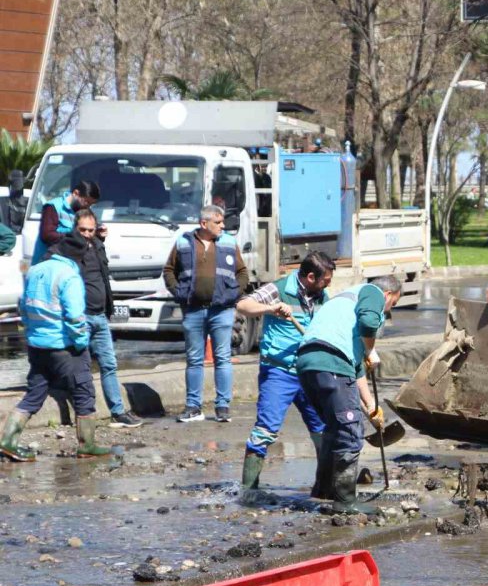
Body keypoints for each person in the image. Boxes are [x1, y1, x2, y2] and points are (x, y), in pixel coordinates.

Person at [0, 232, 111, 461]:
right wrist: (81, 343)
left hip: (37, 346)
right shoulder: (69, 275)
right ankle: (87, 445)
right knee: (83, 391)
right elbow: (74, 317)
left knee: (35, 392)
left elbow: (24, 308)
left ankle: (8, 441)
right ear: (78, 257)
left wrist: (32, 335)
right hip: (64, 347)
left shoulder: (35, 270)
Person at [296, 276, 402, 512]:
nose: (388, 310)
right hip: (331, 361)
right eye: (392, 304)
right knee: (350, 431)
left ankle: (323, 491)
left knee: (334, 428)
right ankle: (345, 501)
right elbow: (368, 322)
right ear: (388, 295)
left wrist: (371, 406)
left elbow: (354, 371)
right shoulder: (373, 292)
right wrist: (372, 350)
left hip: (308, 363)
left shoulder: (342, 308)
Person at [236, 251, 335, 493]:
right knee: (265, 430)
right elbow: (243, 305)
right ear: (311, 277)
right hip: (279, 372)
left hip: (310, 371)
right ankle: (249, 492)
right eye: (325, 280)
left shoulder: (323, 297)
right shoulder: (278, 289)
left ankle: (324, 487)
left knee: (322, 428)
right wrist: (271, 309)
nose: (328, 285)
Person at [162, 204, 249, 423]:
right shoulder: (183, 242)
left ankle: (223, 406)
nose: (222, 226)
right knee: (194, 359)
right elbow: (169, 270)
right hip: (193, 310)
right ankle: (193, 406)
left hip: (222, 310)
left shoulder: (228, 242)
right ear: (204, 223)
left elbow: (242, 272)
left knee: (222, 358)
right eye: (218, 222)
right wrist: (179, 293)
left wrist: (233, 294)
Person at [70, 209, 142, 427]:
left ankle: (117, 412)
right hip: (80, 317)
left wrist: (100, 239)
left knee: (109, 364)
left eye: (90, 230)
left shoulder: (97, 245)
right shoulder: (67, 249)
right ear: (75, 228)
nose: (86, 233)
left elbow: (103, 276)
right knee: (79, 367)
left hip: (100, 315)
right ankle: (84, 413)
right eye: (82, 229)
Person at [31, 180, 100, 265]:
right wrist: (74, 237)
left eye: (91, 204)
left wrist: (99, 234)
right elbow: (47, 235)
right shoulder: (53, 206)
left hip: (71, 263)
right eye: (87, 201)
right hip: (48, 263)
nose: (88, 206)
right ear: (75, 193)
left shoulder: (84, 210)